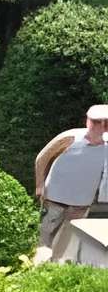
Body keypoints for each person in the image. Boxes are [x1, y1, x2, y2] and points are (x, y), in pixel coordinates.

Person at [33, 104, 108, 261]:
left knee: (66, 239)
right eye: (95, 122)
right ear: (88, 121)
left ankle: (54, 266)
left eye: (104, 123)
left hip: (81, 204)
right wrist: (40, 185)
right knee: (44, 236)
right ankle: (37, 264)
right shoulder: (70, 137)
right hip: (54, 199)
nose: (100, 127)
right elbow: (43, 158)